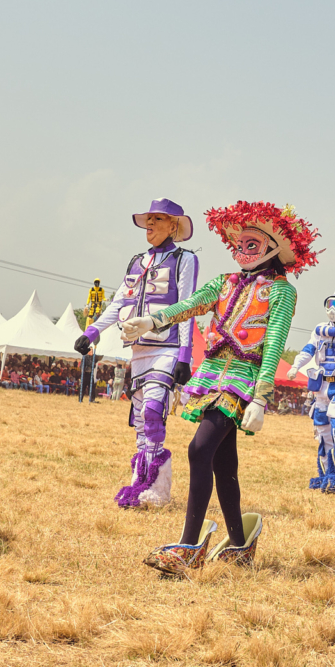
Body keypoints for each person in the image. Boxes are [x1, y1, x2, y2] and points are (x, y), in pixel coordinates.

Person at [124, 200, 318, 575]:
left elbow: (275, 340)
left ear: (274, 249)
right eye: (239, 245)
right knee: (222, 461)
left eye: (252, 245)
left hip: (243, 379)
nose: (242, 251)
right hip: (212, 374)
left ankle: (189, 545)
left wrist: (261, 397)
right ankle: (240, 544)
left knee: (199, 450)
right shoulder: (225, 282)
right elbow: (192, 304)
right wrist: (152, 319)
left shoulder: (281, 291)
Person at [75, 198, 199, 509]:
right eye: (148, 219)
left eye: (158, 219)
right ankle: (139, 484)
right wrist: (92, 332)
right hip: (139, 352)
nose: (151, 224)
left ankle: (158, 489)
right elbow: (118, 303)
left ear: (173, 226)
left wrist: (185, 355)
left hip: (167, 347)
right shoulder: (136, 262)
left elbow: (188, 307)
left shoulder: (185, 260)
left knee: (155, 412)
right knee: (143, 420)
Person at [288, 290, 335, 493]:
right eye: (330, 303)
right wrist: (296, 366)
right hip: (320, 386)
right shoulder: (319, 330)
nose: (333, 309)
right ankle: (324, 474)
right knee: (321, 430)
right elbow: (308, 349)